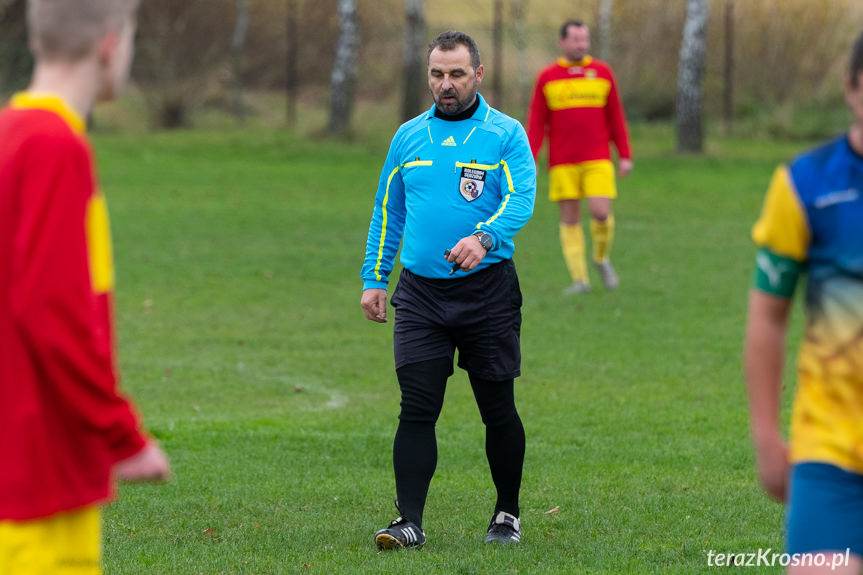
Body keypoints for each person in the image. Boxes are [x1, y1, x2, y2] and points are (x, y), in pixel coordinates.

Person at [0, 1, 171, 573]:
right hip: (40, 474)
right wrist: (121, 434)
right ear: (109, 46)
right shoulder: (54, 146)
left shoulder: (11, 134)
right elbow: (51, 309)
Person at [360, 30, 536, 550]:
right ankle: (408, 522)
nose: (446, 84)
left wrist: (484, 237)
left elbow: (523, 197)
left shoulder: (504, 134)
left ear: (478, 75)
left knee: (497, 409)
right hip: (420, 296)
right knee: (416, 407)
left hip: (488, 294)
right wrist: (375, 277)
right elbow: (388, 212)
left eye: (457, 74)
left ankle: (507, 514)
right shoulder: (408, 137)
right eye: (437, 74)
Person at [744, 30, 863, 575]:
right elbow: (768, 317)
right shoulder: (804, 185)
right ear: (851, 90)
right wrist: (768, 436)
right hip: (831, 448)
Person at [527, 19, 632, 295]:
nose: (582, 44)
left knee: (601, 213)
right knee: (570, 220)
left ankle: (601, 258)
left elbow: (616, 117)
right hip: (562, 161)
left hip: (597, 158)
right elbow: (537, 122)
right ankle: (580, 279)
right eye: (576, 39)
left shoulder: (602, 72)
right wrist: (531, 156)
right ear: (562, 42)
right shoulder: (547, 78)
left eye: (585, 39)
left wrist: (625, 154)